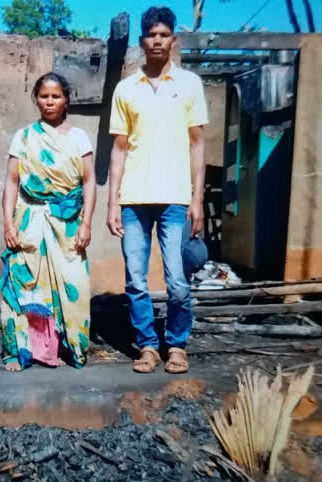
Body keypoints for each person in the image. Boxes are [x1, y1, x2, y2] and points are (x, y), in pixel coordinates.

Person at [106, 6, 208, 374]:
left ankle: (177, 344)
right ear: (142, 41)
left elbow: (198, 144)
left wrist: (198, 198)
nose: (158, 41)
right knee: (135, 278)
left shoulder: (189, 85)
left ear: (173, 40)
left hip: (176, 198)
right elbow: (119, 148)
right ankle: (148, 345)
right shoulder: (125, 89)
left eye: (164, 35)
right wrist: (112, 201)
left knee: (178, 281)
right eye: (152, 35)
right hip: (133, 198)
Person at [0, 72, 97, 372]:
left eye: (56, 96)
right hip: (30, 220)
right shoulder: (24, 136)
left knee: (74, 284)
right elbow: (12, 182)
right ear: (36, 99)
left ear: (66, 99)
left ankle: (71, 346)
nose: (50, 101)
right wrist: (8, 223)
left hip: (66, 223)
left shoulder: (79, 137)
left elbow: (90, 181)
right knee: (27, 283)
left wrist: (86, 223)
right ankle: (25, 351)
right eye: (44, 96)